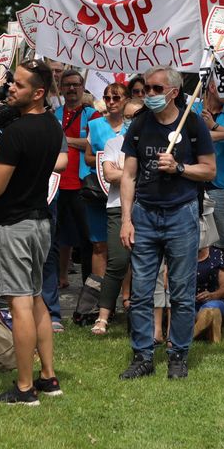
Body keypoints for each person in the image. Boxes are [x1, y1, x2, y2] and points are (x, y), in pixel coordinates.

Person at [119, 66, 216, 381]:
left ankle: (178, 355)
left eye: (156, 89)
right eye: (147, 89)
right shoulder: (139, 124)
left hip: (181, 214)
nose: (149, 95)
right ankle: (143, 356)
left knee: (182, 292)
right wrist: (126, 220)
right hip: (144, 215)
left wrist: (179, 168)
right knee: (142, 291)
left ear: (174, 92)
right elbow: (129, 175)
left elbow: (209, 170)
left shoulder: (193, 123)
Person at [0, 59, 66, 405]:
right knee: (35, 300)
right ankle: (48, 377)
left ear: (38, 92)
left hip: (14, 226)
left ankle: (24, 387)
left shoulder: (17, 133)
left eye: (17, 85)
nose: (10, 89)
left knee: (20, 304)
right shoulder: (52, 126)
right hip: (40, 222)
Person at [85, 84, 133, 335]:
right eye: (107, 97)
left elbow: (118, 171)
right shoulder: (112, 140)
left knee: (147, 263)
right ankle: (104, 314)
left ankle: (136, 308)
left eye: (117, 97)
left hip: (145, 206)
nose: (112, 101)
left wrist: (122, 171)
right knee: (116, 259)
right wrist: (133, 172)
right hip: (113, 202)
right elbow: (107, 170)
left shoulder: (151, 140)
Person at [55, 68, 97, 289]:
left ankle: (87, 286)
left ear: (83, 87)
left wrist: (66, 140)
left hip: (82, 184)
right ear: (60, 88)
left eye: (76, 84)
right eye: (67, 84)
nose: (72, 88)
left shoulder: (92, 115)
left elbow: (93, 144)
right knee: (58, 236)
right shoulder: (54, 114)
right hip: (57, 184)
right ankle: (58, 279)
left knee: (86, 238)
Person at [196, 77, 224, 257]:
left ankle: (223, 282)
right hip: (195, 183)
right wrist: (222, 134)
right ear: (212, 87)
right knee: (196, 240)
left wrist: (213, 126)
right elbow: (193, 137)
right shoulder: (192, 110)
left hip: (222, 185)